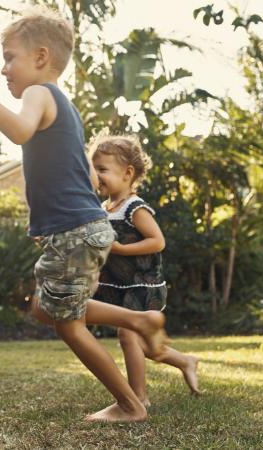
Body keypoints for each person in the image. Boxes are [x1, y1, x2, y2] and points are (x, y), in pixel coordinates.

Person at [0, 8, 167, 422]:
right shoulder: (65, 107)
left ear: (40, 57)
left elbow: (20, 132)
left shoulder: (39, 94)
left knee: (67, 325)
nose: (4, 69)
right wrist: (46, 218)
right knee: (44, 307)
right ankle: (139, 319)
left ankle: (129, 406)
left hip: (76, 231)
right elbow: (85, 176)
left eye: (9, 57)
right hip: (79, 228)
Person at [90, 134, 200, 407]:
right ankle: (186, 361)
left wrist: (120, 249)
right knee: (145, 345)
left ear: (127, 173)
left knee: (128, 334)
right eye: (94, 170)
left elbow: (157, 241)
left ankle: (139, 397)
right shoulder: (105, 208)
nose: (96, 176)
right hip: (118, 284)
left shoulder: (134, 207)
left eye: (102, 169)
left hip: (142, 284)